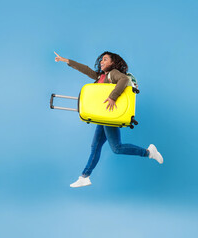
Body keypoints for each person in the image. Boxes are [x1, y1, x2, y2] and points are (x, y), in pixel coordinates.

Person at [54, 51, 163, 188]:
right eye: (101, 59)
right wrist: (66, 60)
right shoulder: (100, 76)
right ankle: (84, 176)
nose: (102, 61)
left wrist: (113, 97)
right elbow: (86, 69)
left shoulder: (113, 73)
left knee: (116, 148)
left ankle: (148, 152)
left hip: (109, 115)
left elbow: (123, 79)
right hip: (103, 116)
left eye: (105, 59)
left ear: (112, 63)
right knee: (95, 147)